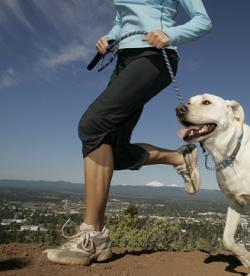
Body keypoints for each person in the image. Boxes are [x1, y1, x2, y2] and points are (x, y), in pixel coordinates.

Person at [44, 0, 212, 265]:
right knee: (115, 152)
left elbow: (203, 20)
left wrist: (172, 34)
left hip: (156, 56)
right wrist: (109, 38)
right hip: (124, 59)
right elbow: (122, 19)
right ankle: (179, 159)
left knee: (92, 125)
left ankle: (92, 233)